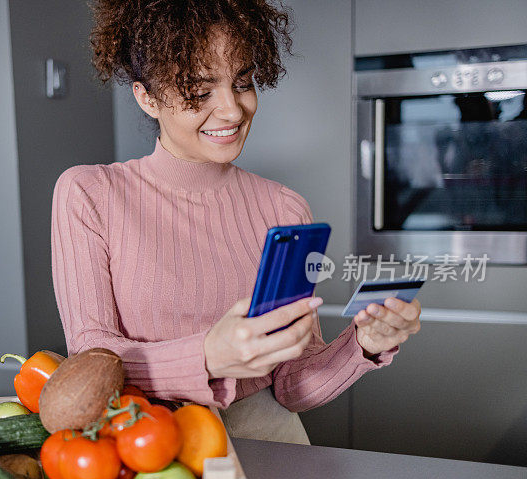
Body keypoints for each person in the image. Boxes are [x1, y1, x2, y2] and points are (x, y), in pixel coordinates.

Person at [51, 0, 422, 444]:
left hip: (272, 440)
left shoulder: (283, 208)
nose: (232, 110)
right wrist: (207, 357)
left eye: (242, 83)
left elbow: (291, 387)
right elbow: (91, 355)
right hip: (143, 439)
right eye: (199, 90)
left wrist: (363, 344)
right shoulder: (90, 194)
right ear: (146, 97)